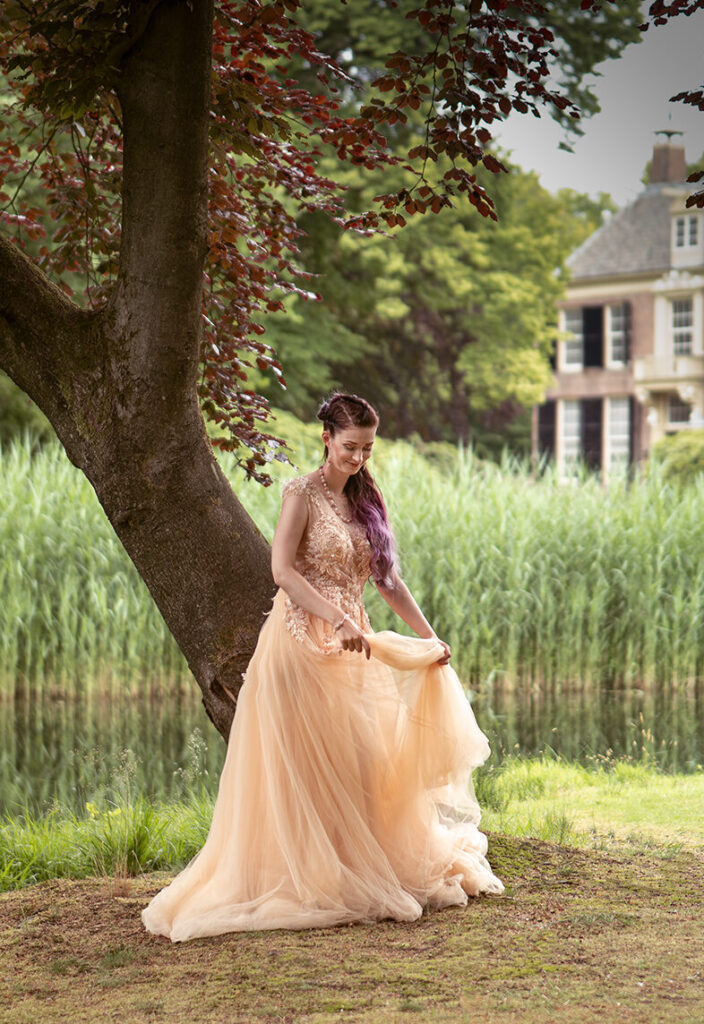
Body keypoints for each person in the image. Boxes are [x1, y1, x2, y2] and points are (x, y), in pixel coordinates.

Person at [141, 393, 503, 941]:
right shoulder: (300, 493)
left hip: (354, 644)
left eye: (367, 448)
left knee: (359, 758)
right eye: (350, 447)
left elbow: (387, 581)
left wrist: (430, 636)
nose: (358, 458)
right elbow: (282, 570)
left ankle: (355, 864)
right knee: (309, 765)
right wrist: (337, 618)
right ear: (327, 439)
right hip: (302, 641)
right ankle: (309, 875)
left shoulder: (365, 500)